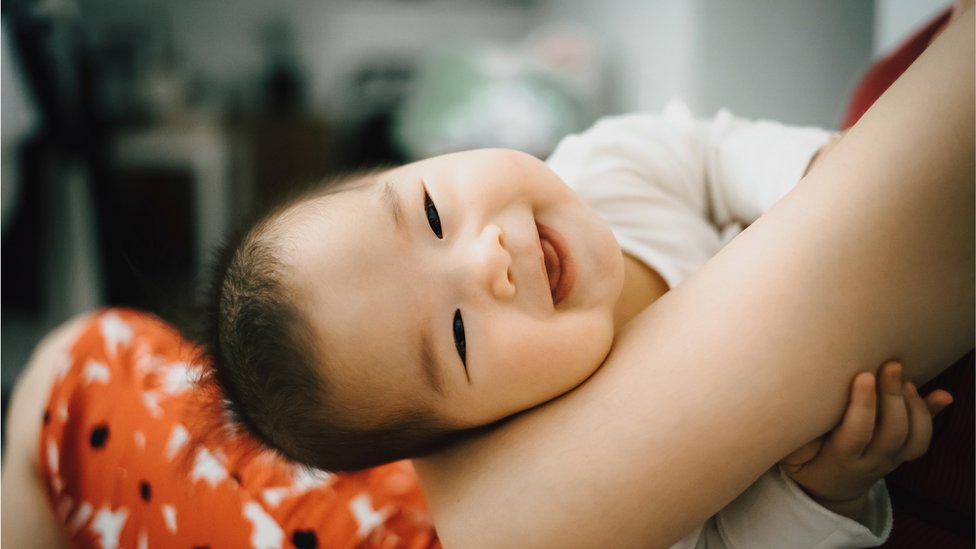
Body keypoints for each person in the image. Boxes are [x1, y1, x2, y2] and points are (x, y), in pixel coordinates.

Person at [205, 47, 963, 549]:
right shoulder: (592, 460)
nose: (489, 259)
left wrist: (808, 169)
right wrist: (825, 489)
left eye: (434, 213)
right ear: (479, 432)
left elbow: (712, 151)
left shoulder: (604, 163)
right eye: (461, 336)